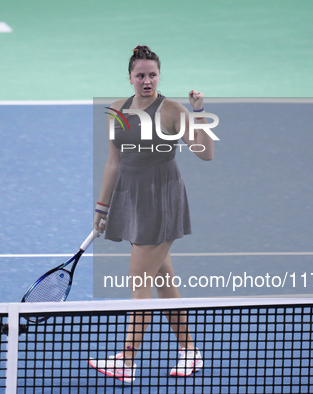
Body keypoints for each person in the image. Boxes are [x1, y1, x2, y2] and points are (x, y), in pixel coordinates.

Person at [88, 45, 215, 383]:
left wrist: (198, 112)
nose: (147, 80)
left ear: (159, 76)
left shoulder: (172, 110)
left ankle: (127, 360)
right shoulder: (117, 109)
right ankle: (189, 351)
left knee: (139, 279)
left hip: (162, 199)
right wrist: (102, 207)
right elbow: (114, 161)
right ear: (130, 77)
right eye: (141, 75)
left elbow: (206, 153)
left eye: (152, 75)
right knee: (162, 280)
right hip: (132, 198)